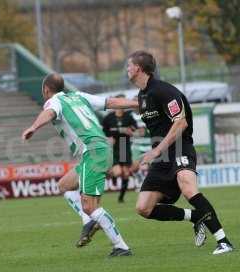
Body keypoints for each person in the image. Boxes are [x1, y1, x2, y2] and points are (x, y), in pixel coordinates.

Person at [127, 50, 233, 255]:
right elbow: (125, 106)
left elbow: (181, 122)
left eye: (129, 66)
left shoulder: (163, 90)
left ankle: (223, 241)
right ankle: (195, 217)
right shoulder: (143, 95)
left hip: (179, 147)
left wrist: (157, 148)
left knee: (187, 186)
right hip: (162, 157)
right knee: (144, 208)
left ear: (138, 69)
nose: (127, 70)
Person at [21, 73, 138, 257]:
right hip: (99, 150)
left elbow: (49, 113)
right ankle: (88, 221)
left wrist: (33, 127)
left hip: (92, 152)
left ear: (46, 90)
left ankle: (121, 246)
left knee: (90, 206)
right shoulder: (79, 96)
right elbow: (110, 102)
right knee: (64, 185)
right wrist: (137, 103)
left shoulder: (54, 102)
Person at [102, 105, 138, 203]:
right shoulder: (109, 118)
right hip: (114, 146)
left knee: (126, 173)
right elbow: (104, 129)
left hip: (124, 145)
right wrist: (109, 137)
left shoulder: (128, 116)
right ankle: (112, 175)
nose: (120, 108)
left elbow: (135, 126)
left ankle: (121, 197)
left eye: (122, 107)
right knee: (118, 172)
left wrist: (131, 130)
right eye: (118, 107)